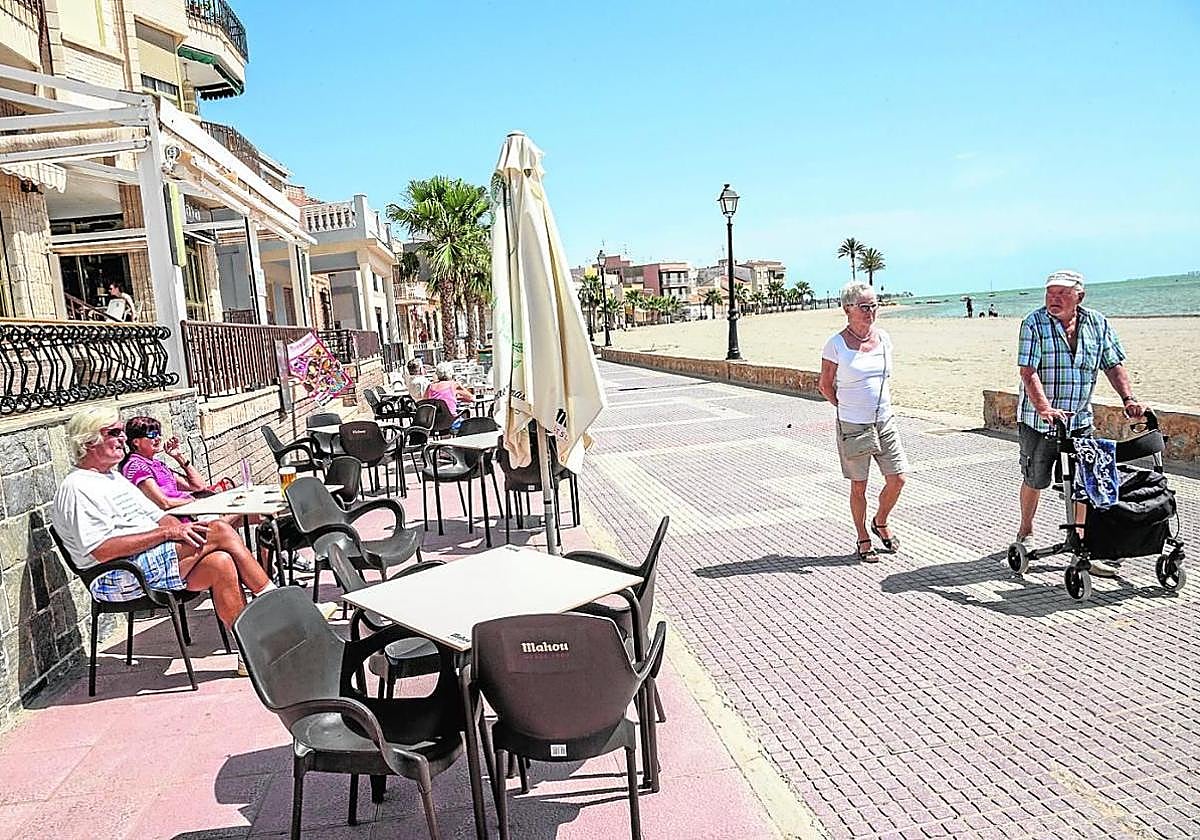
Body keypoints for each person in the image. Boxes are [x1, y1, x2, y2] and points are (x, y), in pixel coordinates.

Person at [52, 406, 275, 674]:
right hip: (118, 576)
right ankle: (276, 605)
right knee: (220, 530)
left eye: (122, 431)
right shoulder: (78, 488)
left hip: (148, 560)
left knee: (221, 562)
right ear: (89, 442)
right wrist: (168, 534)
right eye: (113, 433)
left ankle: (249, 652)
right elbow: (102, 551)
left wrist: (179, 531)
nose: (122, 438)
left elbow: (161, 517)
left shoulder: (113, 478)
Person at [1015, 269, 1146, 576]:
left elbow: (1113, 364)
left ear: (1080, 297)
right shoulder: (1033, 323)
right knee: (1036, 479)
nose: (1054, 299)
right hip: (1039, 421)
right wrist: (1045, 407)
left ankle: (1083, 543)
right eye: (1050, 293)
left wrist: (1128, 399)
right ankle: (1025, 531)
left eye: (1062, 294)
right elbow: (1028, 372)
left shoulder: (1097, 323)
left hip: (1080, 420)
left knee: (1084, 484)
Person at [818, 281, 909, 563]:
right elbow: (824, 385)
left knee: (898, 479)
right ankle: (862, 536)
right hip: (853, 425)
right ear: (847, 309)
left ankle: (880, 520)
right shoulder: (835, 345)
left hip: (884, 421)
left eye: (874, 305)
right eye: (864, 306)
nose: (871, 311)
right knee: (859, 485)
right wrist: (845, 407)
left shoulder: (884, 338)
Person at [425, 361, 475, 430]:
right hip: (450, 421)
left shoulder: (430, 386)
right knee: (466, 412)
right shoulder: (453, 384)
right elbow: (471, 397)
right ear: (451, 373)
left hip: (434, 422)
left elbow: (427, 400)